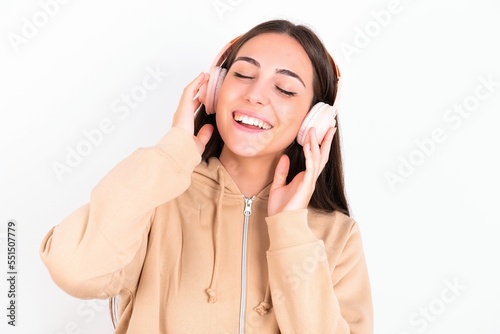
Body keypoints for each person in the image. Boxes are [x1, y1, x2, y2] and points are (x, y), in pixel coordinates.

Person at [40, 19, 373, 333]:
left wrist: (291, 231)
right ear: (214, 88)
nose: (255, 95)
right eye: (243, 74)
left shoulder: (337, 236)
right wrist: (172, 154)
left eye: (285, 89)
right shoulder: (155, 198)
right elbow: (74, 270)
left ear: (315, 120)